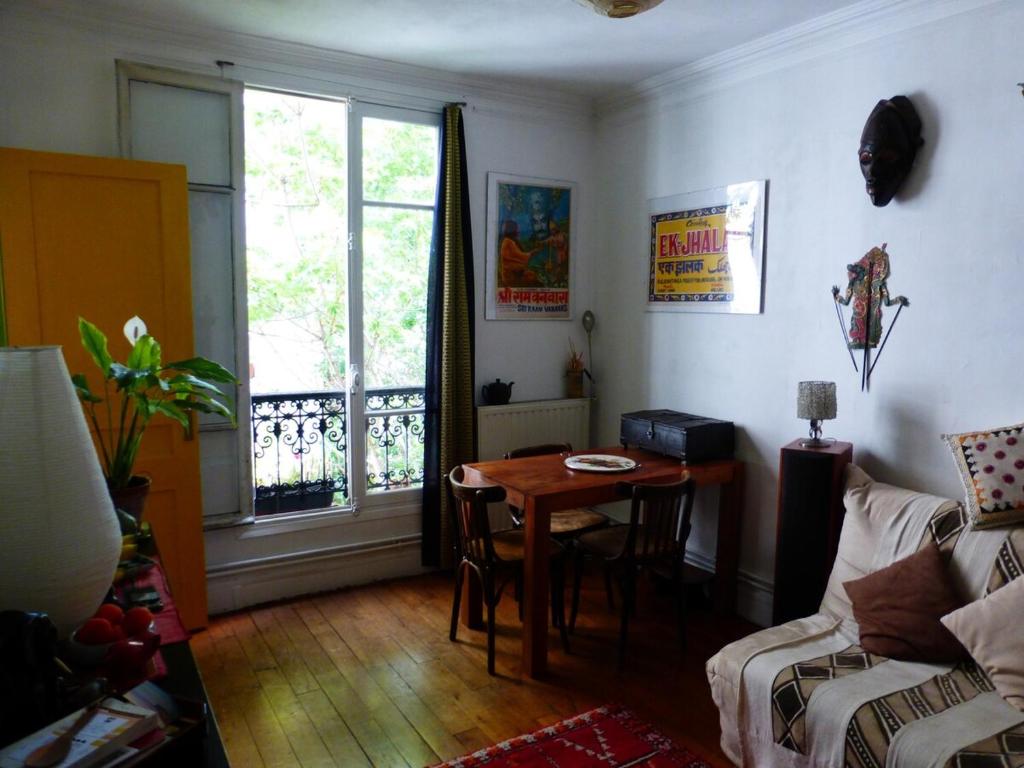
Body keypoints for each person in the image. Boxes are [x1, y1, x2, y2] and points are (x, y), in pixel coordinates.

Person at [498, 219, 540, 287]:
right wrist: (532, 253)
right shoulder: (508, 242)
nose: (518, 231)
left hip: (513, 274)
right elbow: (520, 256)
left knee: (532, 275)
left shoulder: (509, 241)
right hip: (511, 277)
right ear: (512, 230)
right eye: (517, 229)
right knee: (533, 279)